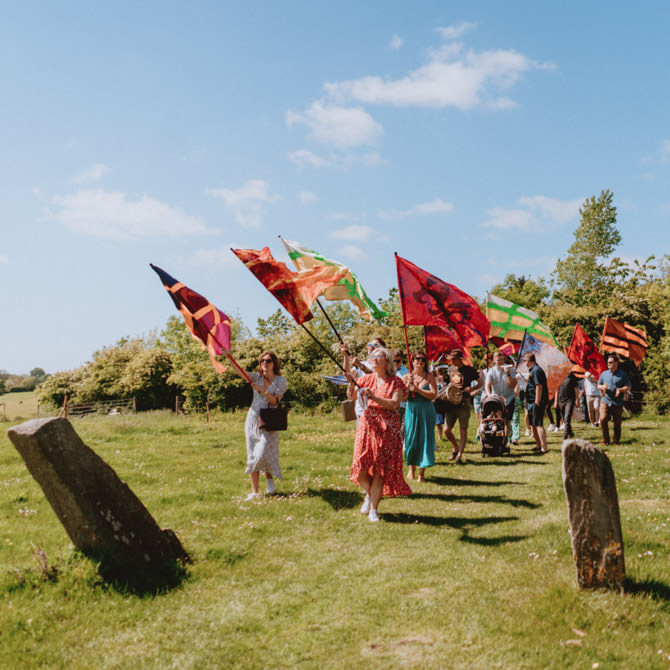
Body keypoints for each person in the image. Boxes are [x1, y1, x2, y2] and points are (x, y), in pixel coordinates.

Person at [347, 347, 411, 522]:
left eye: (379, 356)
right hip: (367, 427)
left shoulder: (396, 382)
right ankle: (370, 494)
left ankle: (374, 509)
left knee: (379, 470)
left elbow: (395, 405)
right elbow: (352, 395)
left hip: (387, 429)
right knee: (360, 466)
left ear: (387, 361)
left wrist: (373, 397)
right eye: (372, 356)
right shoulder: (365, 379)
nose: (374, 358)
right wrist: (351, 382)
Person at [233, 351, 288, 500]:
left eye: (268, 360)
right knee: (252, 454)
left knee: (263, 453)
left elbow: (275, 402)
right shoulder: (256, 377)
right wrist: (227, 356)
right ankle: (255, 492)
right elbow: (239, 371)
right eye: (262, 360)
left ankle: (269, 477)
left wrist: (263, 391)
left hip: (269, 420)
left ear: (274, 363)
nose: (264, 363)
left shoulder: (280, 381)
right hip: (253, 420)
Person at [403, 350, 437, 482]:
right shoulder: (407, 377)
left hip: (426, 411)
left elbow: (433, 394)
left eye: (423, 359)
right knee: (411, 440)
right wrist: (407, 385)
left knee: (425, 440)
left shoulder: (429, 376)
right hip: (411, 411)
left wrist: (417, 390)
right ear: (412, 361)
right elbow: (403, 397)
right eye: (417, 358)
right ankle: (411, 470)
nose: (420, 361)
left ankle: (421, 474)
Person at [443, 349, 481, 464]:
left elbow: (481, 382)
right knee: (446, 430)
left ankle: (459, 455)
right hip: (451, 402)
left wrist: (472, 389)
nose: (452, 361)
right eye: (451, 359)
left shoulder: (469, 370)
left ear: (460, 359)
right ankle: (455, 447)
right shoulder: (450, 369)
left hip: (464, 402)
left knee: (463, 429)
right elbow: (448, 383)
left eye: (454, 359)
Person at [341, 337, 387, 421]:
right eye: (370, 344)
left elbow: (378, 377)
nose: (371, 347)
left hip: (379, 408)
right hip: (361, 409)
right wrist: (345, 356)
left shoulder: (385, 365)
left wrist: (360, 366)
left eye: (375, 345)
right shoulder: (362, 363)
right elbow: (347, 373)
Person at [597, 354, 631, 445]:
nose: (609, 364)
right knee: (603, 419)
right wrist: (602, 387)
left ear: (616, 363)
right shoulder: (604, 374)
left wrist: (620, 390)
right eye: (608, 362)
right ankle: (605, 440)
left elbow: (628, 386)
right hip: (605, 400)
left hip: (617, 402)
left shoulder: (623, 374)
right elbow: (598, 385)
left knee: (617, 423)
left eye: (611, 362)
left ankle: (616, 441)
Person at [484, 351, 517, 438]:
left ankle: (505, 440)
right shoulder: (491, 371)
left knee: (507, 421)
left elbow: (513, 385)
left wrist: (508, 374)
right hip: (497, 399)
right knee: (497, 419)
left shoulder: (511, 369)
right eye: (499, 360)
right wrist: (489, 394)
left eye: (502, 360)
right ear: (494, 360)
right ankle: (497, 438)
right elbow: (487, 385)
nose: (501, 362)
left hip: (509, 398)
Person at [524, 352, 548, 454]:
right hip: (530, 401)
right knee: (533, 424)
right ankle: (538, 445)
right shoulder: (532, 370)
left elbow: (539, 386)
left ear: (528, 361)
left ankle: (544, 447)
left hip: (536, 401)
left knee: (538, 424)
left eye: (524, 361)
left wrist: (537, 402)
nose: (524, 362)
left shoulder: (536, 370)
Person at [555, 370, 580, 440]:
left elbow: (576, 389)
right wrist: (556, 401)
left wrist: (577, 399)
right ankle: (570, 432)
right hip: (561, 400)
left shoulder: (572, 377)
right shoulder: (559, 376)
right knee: (564, 418)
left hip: (570, 400)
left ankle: (565, 436)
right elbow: (557, 389)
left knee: (567, 417)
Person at [393, 348, 409, 424]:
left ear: (402, 360)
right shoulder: (387, 371)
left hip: (401, 404)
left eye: (398, 361)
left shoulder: (406, 372)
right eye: (393, 361)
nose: (395, 363)